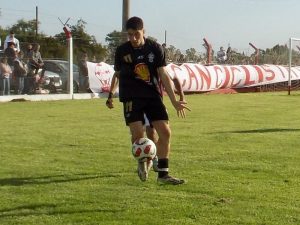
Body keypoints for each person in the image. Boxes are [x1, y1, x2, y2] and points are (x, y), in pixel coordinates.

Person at [106, 16, 190, 185]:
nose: (133, 38)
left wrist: (174, 101)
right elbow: (117, 74)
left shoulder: (155, 48)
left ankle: (163, 175)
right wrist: (110, 95)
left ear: (143, 31)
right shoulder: (122, 51)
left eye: (136, 34)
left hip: (152, 96)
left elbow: (164, 75)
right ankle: (142, 161)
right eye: (129, 35)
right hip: (131, 97)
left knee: (165, 132)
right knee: (138, 135)